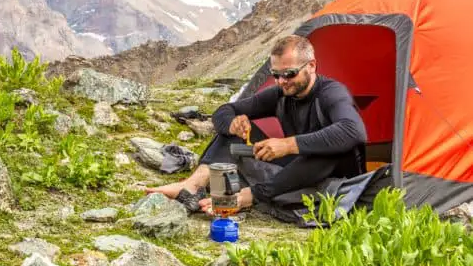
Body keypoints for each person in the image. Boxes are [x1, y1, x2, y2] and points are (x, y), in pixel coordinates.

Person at [146, 34, 368, 213]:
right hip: (297, 169)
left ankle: (248, 197)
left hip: (334, 174)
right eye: (276, 74)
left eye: (289, 74)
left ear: (311, 66)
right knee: (235, 133)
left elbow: (353, 131)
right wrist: (233, 123)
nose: (282, 81)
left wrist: (288, 145)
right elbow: (225, 110)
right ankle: (192, 186)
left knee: (324, 151)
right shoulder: (281, 93)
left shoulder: (331, 93)